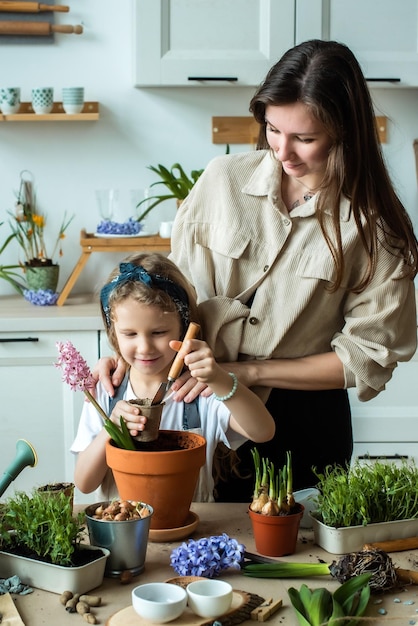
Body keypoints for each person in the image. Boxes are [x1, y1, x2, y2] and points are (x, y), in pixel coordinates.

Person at [94, 39, 418, 500]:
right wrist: (129, 358)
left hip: (302, 424)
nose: (283, 152)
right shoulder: (222, 179)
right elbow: (165, 300)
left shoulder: (374, 229)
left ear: (346, 131)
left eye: (305, 138)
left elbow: (365, 358)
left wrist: (252, 373)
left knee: (297, 567)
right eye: (272, 129)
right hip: (198, 409)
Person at [71, 252, 275, 503]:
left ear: (184, 326)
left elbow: (263, 431)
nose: (145, 347)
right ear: (114, 334)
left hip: (193, 536)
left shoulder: (198, 392)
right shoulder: (107, 390)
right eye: (130, 334)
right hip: (124, 535)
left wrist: (219, 379)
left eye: (158, 332)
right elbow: (84, 483)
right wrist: (110, 429)